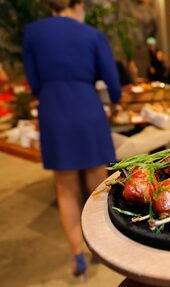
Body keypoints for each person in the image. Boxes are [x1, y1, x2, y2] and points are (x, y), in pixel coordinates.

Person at [23, 0, 121, 277]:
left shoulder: (33, 32)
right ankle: (100, 247)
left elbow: (33, 81)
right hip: (88, 109)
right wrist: (115, 102)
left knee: (65, 189)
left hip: (53, 110)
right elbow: (112, 80)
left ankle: (77, 254)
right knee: (98, 185)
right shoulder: (91, 34)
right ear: (78, 5)